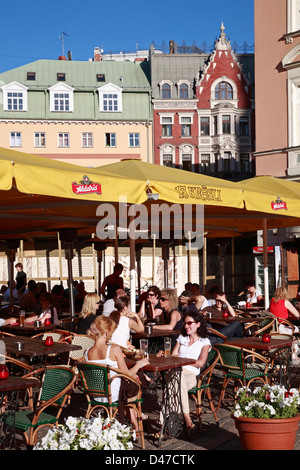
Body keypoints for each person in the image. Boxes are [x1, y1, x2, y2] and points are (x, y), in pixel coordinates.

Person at [85, 315, 149, 434]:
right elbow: (128, 374)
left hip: (95, 394)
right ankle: (137, 422)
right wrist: (140, 363)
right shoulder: (114, 349)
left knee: (131, 382)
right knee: (135, 381)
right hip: (112, 394)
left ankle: (134, 423)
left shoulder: (87, 352)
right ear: (108, 332)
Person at [156, 309, 210, 438]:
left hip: (191, 375)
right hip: (176, 371)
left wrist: (183, 361)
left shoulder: (204, 342)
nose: (186, 326)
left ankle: (163, 426)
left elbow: (200, 363)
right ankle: (188, 421)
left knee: (171, 386)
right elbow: (174, 355)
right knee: (175, 381)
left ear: (198, 324)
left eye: (189, 323)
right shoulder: (182, 338)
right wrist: (165, 354)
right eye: (185, 323)